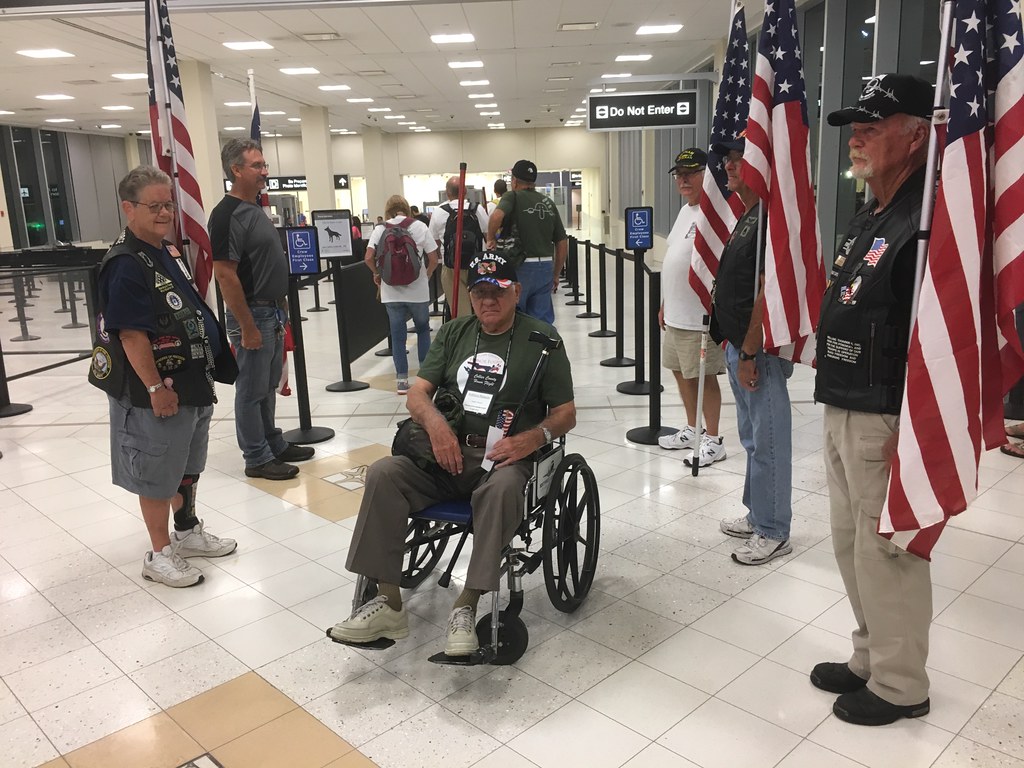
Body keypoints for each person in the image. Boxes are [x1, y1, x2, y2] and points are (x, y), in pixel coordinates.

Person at [329, 253, 575, 656]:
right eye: (479, 293)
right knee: (384, 474)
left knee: (501, 490)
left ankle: (467, 604)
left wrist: (531, 439)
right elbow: (417, 393)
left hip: (504, 459)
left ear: (516, 292)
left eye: (497, 292)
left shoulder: (542, 340)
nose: (487, 301)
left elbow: (565, 413)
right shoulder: (454, 333)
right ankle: (389, 603)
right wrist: (436, 426)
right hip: (445, 456)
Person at [811, 74, 936, 727]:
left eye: (870, 127)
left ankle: (900, 683)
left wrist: (913, 427)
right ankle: (869, 656)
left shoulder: (924, 221)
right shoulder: (873, 212)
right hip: (844, 399)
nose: (855, 139)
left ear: (914, 136)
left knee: (887, 552)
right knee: (849, 543)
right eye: (853, 129)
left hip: (886, 412)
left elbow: (935, 338)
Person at [87, 165, 238, 587]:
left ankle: (187, 531)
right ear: (128, 208)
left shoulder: (165, 250)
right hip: (154, 390)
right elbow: (131, 334)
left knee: (186, 463)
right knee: (156, 472)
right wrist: (155, 388)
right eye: (154, 206)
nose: (165, 213)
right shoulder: (125, 262)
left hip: (190, 381)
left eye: (168, 204)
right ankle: (158, 553)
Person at [710, 131, 794, 566]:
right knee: (752, 438)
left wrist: (747, 352)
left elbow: (768, 291)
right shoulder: (748, 214)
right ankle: (757, 513)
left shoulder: (769, 219)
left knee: (769, 440)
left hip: (756, 351)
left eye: (740, 158)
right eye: (728, 158)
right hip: (738, 344)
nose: (729, 164)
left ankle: (774, 528)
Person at [209, 139, 315, 481]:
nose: (264, 171)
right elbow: (225, 274)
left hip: (271, 312)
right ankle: (256, 457)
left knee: (267, 385)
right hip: (252, 314)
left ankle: (272, 443)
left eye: (264, 164)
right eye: (257, 165)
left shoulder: (254, 209)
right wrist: (247, 326)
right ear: (236, 170)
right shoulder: (226, 215)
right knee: (252, 389)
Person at [656, 148, 727, 467]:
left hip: (700, 317)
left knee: (703, 376)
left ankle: (714, 439)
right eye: (679, 175)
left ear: (707, 175)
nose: (683, 180)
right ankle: (692, 428)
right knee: (680, 371)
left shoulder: (716, 213)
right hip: (675, 314)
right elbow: (675, 256)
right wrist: (665, 304)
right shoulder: (686, 211)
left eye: (691, 173)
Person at [365, 195, 439, 394]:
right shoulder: (419, 226)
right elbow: (434, 258)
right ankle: (424, 379)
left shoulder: (380, 229)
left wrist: (377, 274)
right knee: (423, 330)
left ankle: (402, 381)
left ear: (388, 210)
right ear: (406, 208)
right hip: (418, 291)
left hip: (391, 292)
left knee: (398, 336)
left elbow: (368, 257)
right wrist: (427, 274)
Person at [485, 159, 568, 325]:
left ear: (514, 181)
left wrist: (491, 238)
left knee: (515, 318)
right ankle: (540, 342)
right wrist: (556, 274)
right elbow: (562, 241)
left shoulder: (512, 196)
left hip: (520, 266)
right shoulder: (548, 203)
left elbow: (497, 216)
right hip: (545, 266)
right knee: (541, 321)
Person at [428, 176, 490, 319]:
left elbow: (434, 243)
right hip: (480, 264)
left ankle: (465, 330)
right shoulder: (478, 209)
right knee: (483, 303)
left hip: (451, 266)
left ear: (447, 192)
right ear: (465, 192)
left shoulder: (439, 212)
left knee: (460, 311)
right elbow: (489, 236)